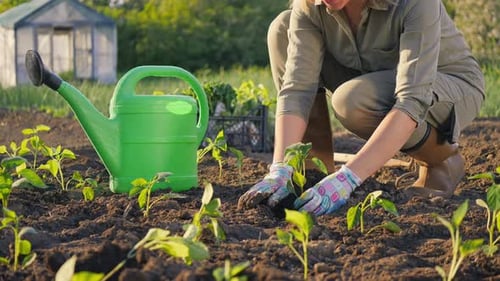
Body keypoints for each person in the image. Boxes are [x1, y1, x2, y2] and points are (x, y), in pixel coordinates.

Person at [238, 0, 485, 216]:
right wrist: (280, 168)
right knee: (283, 28)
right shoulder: (312, 5)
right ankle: (313, 174)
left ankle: (440, 159)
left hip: (446, 83)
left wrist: (349, 179)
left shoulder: (413, 2)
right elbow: (297, 90)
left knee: (353, 101)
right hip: (373, 76)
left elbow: (413, 98)